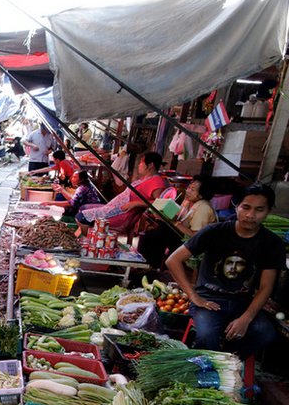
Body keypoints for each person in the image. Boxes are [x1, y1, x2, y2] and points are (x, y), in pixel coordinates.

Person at [165, 183, 285, 358]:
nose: (251, 215)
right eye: (246, 207)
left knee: (265, 333)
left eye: (259, 210)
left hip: (244, 303)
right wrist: (193, 296)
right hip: (209, 301)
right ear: (236, 206)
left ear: (268, 211)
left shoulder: (272, 243)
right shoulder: (215, 232)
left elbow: (266, 286)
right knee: (207, 337)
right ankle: (212, 363)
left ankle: (227, 361)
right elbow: (173, 260)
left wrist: (246, 318)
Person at [137, 176, 219, 267]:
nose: (187, 191)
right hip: (182, 236)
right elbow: (178, 218)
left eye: (193, 190)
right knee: (151, 231)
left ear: (202, 194)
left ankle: (152, 266)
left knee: (161, 232)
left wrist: (172, 222)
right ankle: (141, 262)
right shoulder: (188, 201)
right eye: (188, 187)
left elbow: (195, 236)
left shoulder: (204, 208)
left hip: (196, 245)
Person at [76, 151, 168, 231]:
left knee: (81, 217)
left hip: (121, 214)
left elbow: (160, 204)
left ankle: (91, 242)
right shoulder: (145, 178)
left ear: (150, 165)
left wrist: (135, 203)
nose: (139, 165)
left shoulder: (157, 181)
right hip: (113, 208)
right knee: (82, 208)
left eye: (141, 162)